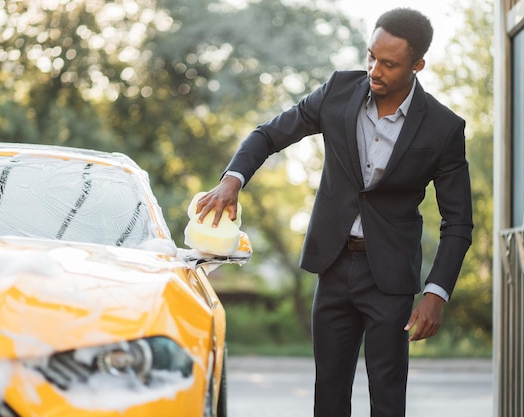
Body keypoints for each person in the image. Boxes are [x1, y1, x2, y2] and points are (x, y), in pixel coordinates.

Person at [196, 7, 473, 417]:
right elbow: (269, 134)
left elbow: (459, 223)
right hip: (333, 263)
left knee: (388, 394)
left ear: (417, 66)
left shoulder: (443, 128)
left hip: (391, 277)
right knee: (328, 391)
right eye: (370, 56)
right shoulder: (338, 90)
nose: (374, 70)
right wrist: (232, 179)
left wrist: (436, 293)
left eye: (389, 63)